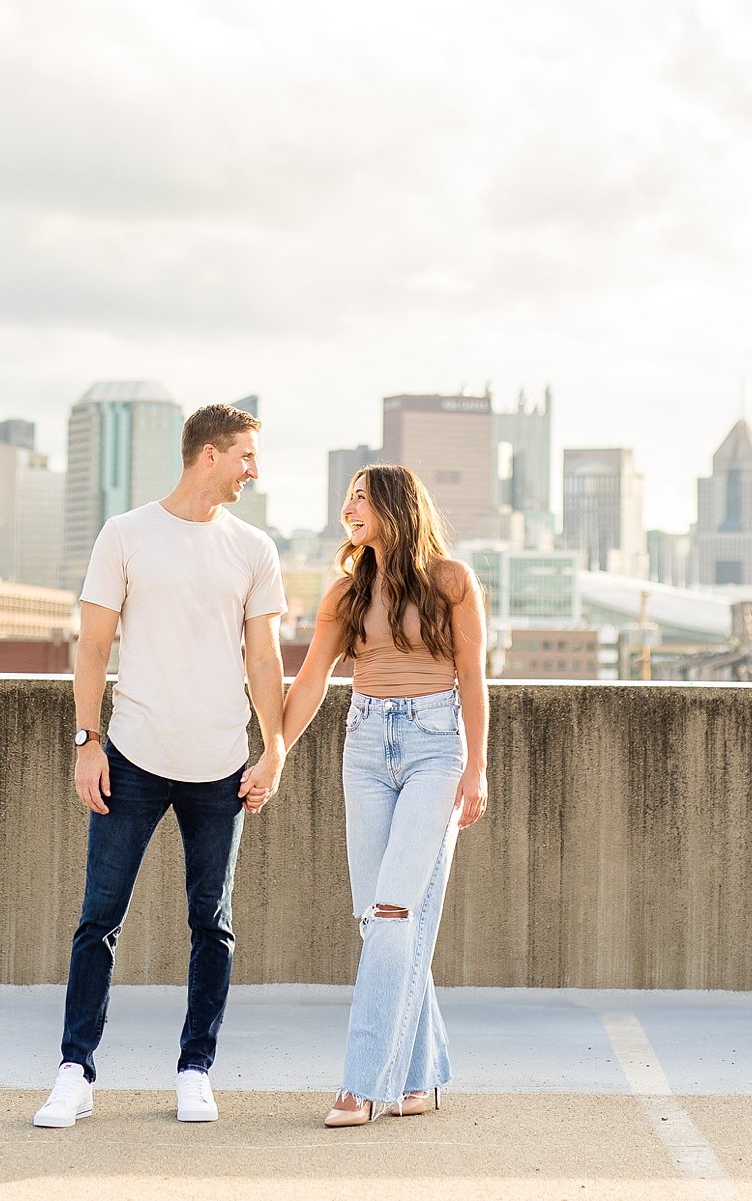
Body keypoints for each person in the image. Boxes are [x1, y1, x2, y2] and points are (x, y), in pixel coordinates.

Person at [32, 403, 288, 1130]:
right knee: (98, 919)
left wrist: (275, 747)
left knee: (213, 924)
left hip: (221, 766)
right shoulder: (127, 534)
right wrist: (87, 741)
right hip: (133, 757)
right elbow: (92, 647)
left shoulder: (254, 548)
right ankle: (75, 1070)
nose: (254, 470)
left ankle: (195, 1069)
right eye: (245, 455)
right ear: (208, 454)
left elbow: (264, 659)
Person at [275, 463, 489, 1128]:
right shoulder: (345, 592)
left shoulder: (452, 580)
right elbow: (310, 679)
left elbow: (475, 676)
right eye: (347, 498)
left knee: (395, 911)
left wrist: (476, 766)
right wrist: (274, 750)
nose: (348, 509)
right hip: (365, 747)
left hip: (434, 746)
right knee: (380, 918)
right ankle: (422, 1074)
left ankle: (361, 1083)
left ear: (396, 505)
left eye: (360, 497)